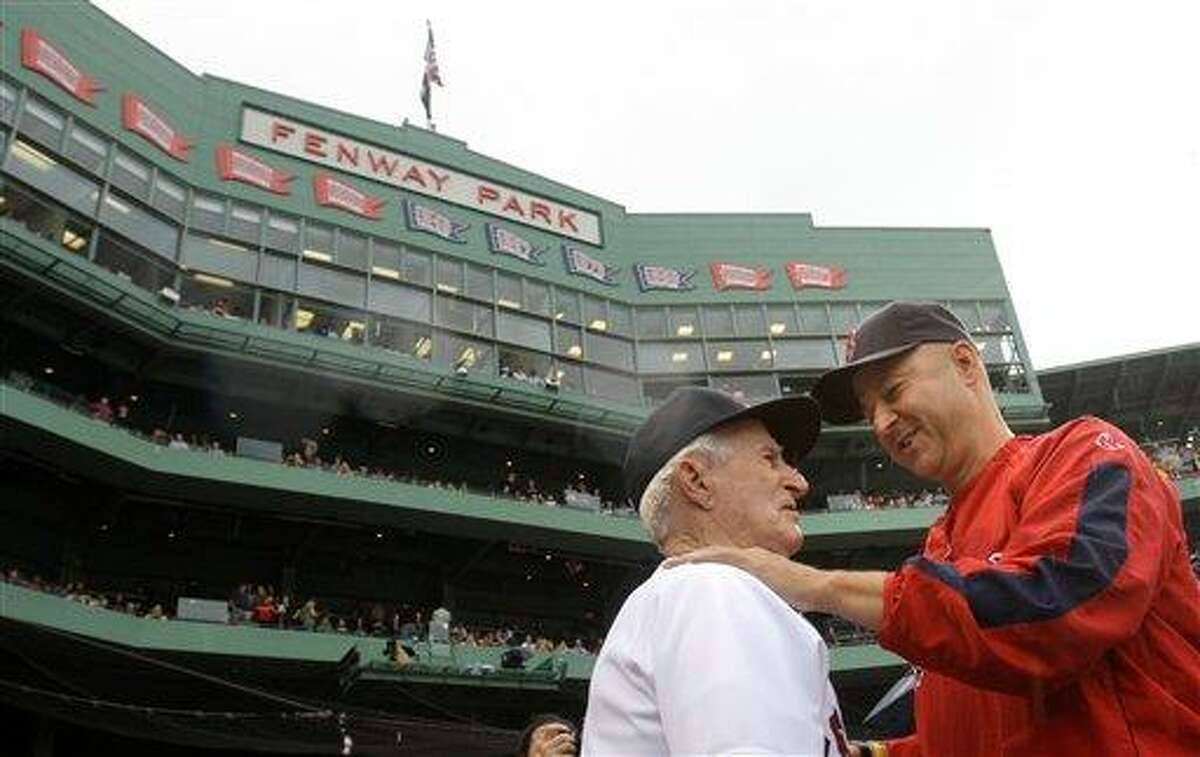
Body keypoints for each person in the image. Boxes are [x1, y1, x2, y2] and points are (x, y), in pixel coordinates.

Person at [669, 301, 1200, 756]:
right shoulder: (940, 545)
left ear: (966, 363)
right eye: (868, 409)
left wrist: (816, 584)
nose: (880, 422)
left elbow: (1058, 609)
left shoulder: (1083, 452)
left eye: (893, 391)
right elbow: (973, 736)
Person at [582, 387, 851, 756]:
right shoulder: (714, 589)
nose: (799, 482)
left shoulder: (684, 595)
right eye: (770, 459)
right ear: (696, 481)